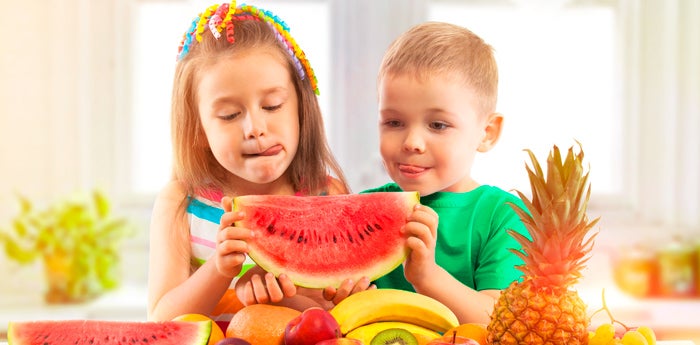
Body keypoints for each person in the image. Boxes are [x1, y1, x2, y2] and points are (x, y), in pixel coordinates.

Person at [147, 2, 370, 323]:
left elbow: (337, 317)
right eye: (230, 115)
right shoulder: (182, 203)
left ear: (301, 109)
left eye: (272, 105)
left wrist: (289, 300)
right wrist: (220, 270)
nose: (255, 128)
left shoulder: (327, 194)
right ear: (197, 129)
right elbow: (161, 321)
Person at [363, 21, 529, 324]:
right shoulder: (362, 209)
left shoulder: (503, 215)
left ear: (487, 132)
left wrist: (427, 277)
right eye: (394, 122)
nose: (412, 143)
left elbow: (503, 322)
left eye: (438, 125)